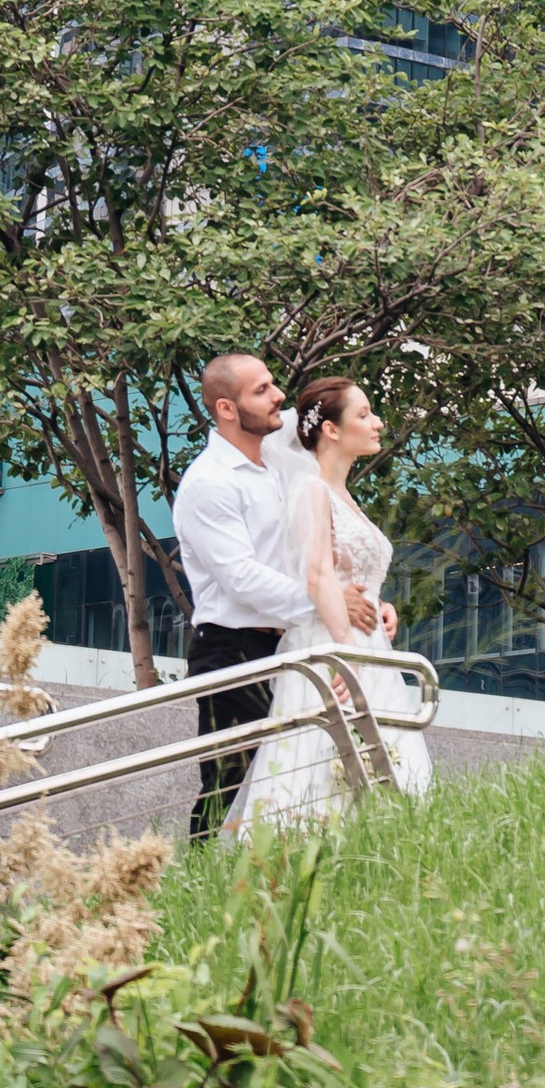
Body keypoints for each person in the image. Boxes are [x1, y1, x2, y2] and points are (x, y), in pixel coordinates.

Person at [171, 351, 378, 841]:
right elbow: (240, 577)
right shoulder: (208, 483)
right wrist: (327, 605)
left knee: (299, 775)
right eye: (261, 390)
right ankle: (206, 885)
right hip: (233, 647)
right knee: (232, 783)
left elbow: (323, 423)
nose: (278, 396)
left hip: (293, 643)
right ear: (226, 408)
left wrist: (368, 602)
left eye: (272, 384)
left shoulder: (279, 454)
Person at [232, 374, 432, 832]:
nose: (378, 422)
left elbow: (350, 573)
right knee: (317, 772)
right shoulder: (312, 490)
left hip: (368, 647)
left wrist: (382, 606)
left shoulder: (343, 495)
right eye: (364, 414)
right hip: (335, 645)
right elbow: (317, 573)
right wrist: (346, 654)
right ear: (332, 430)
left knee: (388, 769)